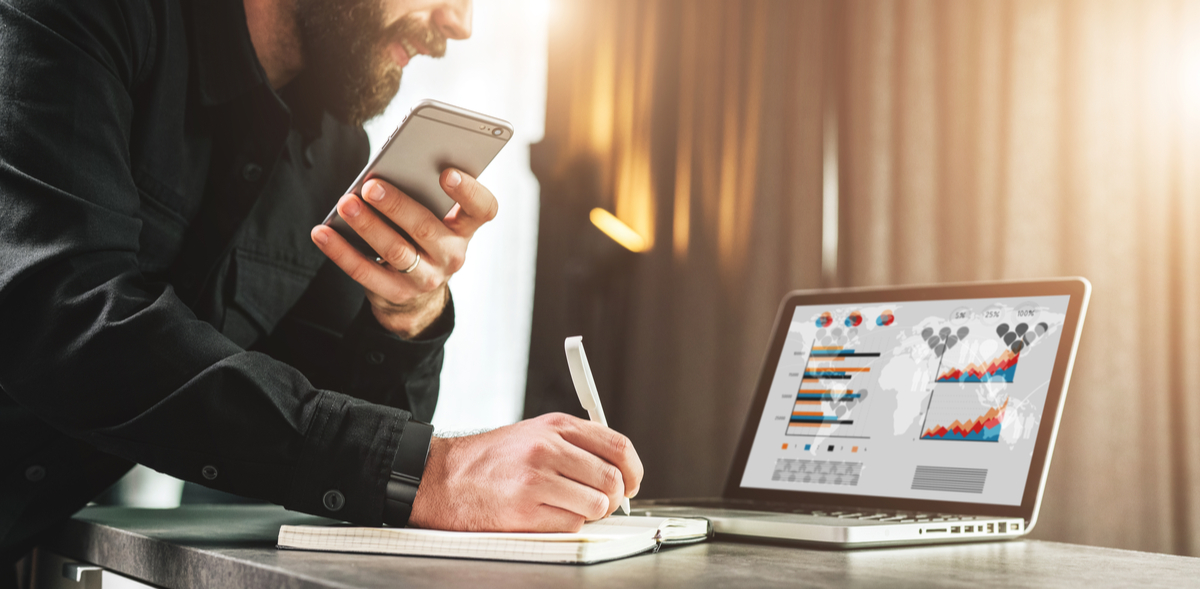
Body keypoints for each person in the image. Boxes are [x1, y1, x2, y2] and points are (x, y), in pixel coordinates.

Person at [0, 0, 643, 577]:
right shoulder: (72, 17)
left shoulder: (334, 155)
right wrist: (434, 469)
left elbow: (331, 429)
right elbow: (62, 317)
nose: (460, 25)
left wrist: (407, 315)